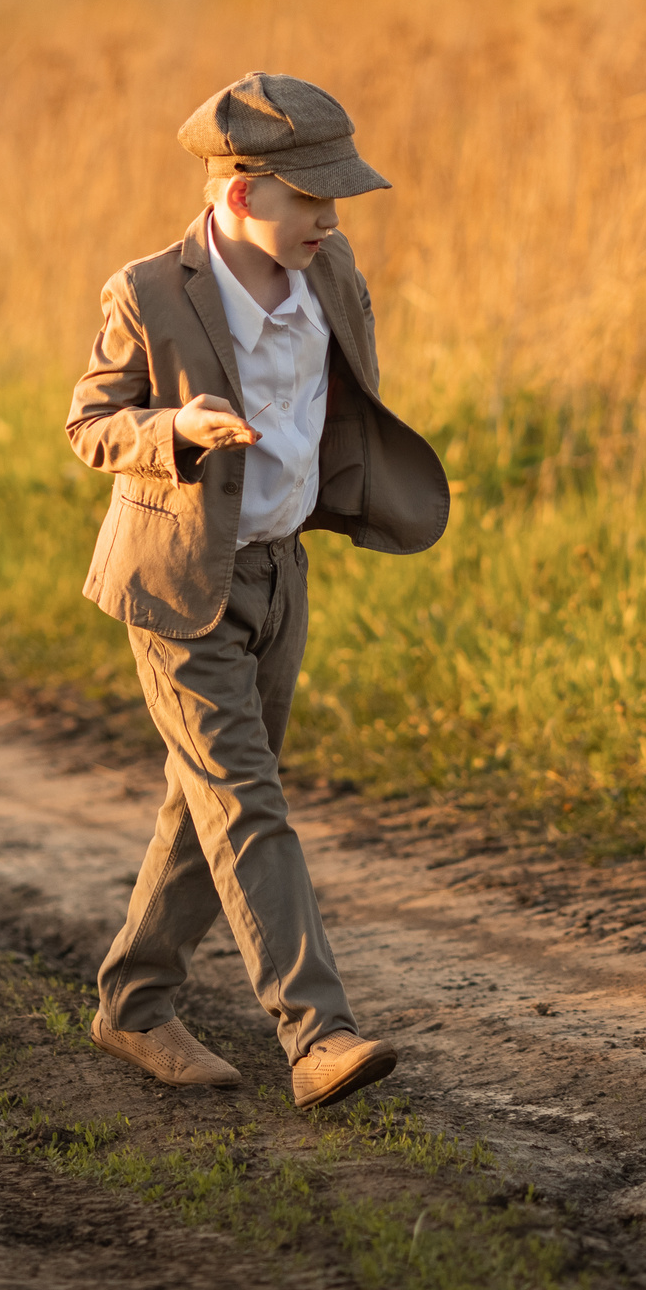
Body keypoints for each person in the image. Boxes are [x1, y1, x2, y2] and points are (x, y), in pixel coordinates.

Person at [65, 71, 449, 1109]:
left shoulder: (329, 273)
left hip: (282, 571)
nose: (333, 219)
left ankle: (133, 1004)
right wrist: (174, 431)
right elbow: (90, 424)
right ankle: (317, 1033)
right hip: (179, 583)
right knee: (246, 802)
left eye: (339, 200)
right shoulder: (148, 291)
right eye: (313, 199)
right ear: (240, 193)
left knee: (211, 800)